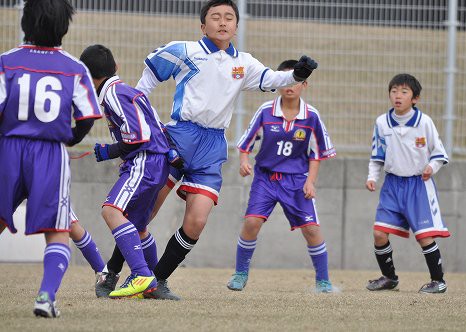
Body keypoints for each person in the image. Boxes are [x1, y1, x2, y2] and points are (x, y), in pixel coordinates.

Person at [134, 0, 318, 299]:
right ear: (202, 25)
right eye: (215, 17)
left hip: (212, 145)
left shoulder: (243, 62)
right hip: (178, 137)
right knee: (145, 211)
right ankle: (111, 272)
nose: (223, 22)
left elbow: (273, 79)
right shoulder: (185, 51)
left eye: (229, 17)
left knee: (197, 221)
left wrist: (297, 74)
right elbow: (145, 84)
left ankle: (154, 282)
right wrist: (145, 121)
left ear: (236, 25)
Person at [0, 0, 102, 318]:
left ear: (25, 23)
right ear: (64, 26)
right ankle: (45, 296)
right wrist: (69, 138)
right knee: (58, 228)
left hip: (9, 148)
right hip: (50, 153)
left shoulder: (7, 61)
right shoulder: (74, 67)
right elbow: (86, 117)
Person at [226, 59, 337, 293]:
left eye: (296, 80)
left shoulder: (311, 116)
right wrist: (244, 162)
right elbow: (246, 143)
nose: (290, 85)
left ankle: (323, 281)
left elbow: (317, 152)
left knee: (311, 229)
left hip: (297, 181)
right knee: (251, 222)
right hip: (265, 178)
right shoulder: (266, 111)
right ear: (278, 82)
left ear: (304, 85)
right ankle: (240, 273)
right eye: (286, 79)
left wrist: (310, 181)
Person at [80, 44, 174, 299]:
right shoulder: (129, 91)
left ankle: (141, 273)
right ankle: (153, 286)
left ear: (88, 78)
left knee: (110, 211)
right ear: (116, 68)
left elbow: (139, 135)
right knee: (139, 227)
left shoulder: (112, 94)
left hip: (144, 162)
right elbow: (155, 124)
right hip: (156, 162)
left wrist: (108, 151)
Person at [365, 73, 450, 293]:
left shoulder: (424, 122)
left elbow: (439, 153)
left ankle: (438, 281)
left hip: (418, 186)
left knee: (424, 236)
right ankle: (389, 278)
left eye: (404, 92)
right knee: (379, 233)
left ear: (415, 98)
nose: (398, 96)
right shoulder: (382, 122)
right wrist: (372, 177)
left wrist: (432, 167)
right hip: (392, 186)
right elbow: (377, 155)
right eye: (394, 91)